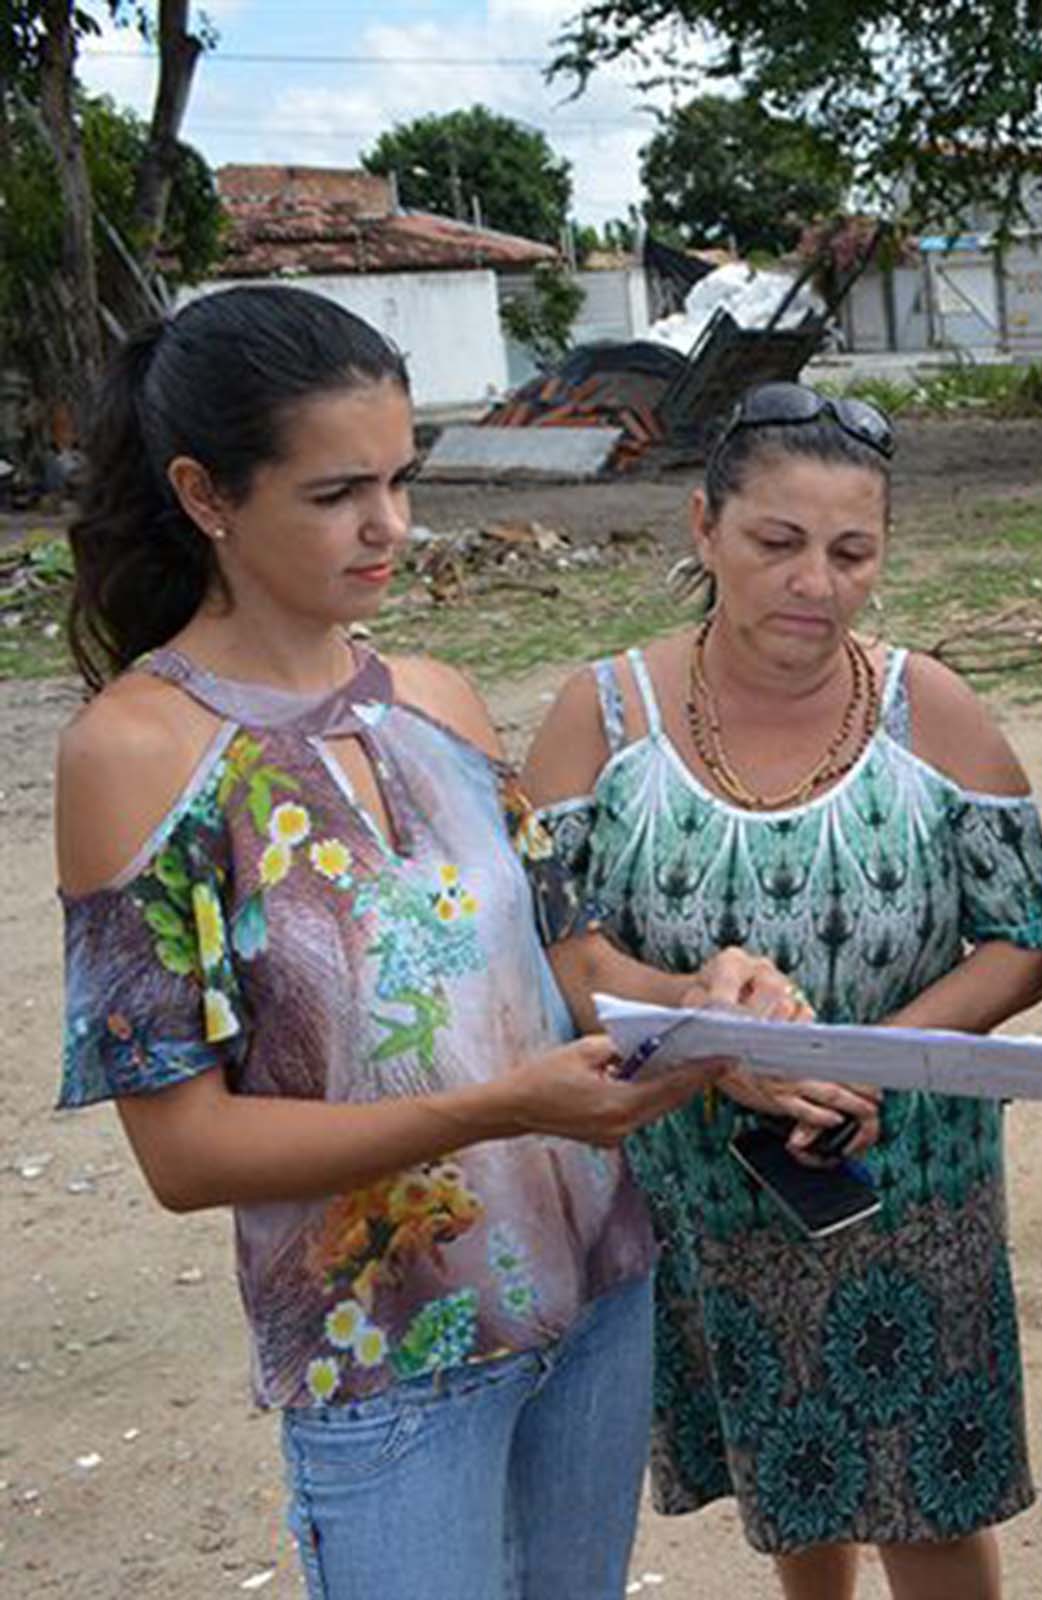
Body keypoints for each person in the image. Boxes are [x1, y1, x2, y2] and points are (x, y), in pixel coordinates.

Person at [51, 284, 737, 1599]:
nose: (391, 526)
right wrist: (492, 1111)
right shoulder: (136, 757)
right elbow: (187, 1153)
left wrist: (706, 998)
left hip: (596, 1294)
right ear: (206, 496)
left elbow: (569, 967)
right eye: (334, 494)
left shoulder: (438, 700)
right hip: (386, 1350)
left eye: (401, 477)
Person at [522, 381, 1042, 1600]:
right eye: (777, 542)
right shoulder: (603, 716)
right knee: (794, 1475)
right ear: (703, 527)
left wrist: (870, 1056)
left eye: (851, 550)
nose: (814, 582)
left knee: (934, 1501)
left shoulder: (925, 706)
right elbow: (562, 951)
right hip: (710, 1190)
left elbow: (1031, 936)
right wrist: (713, 1034)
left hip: (910, 1187)